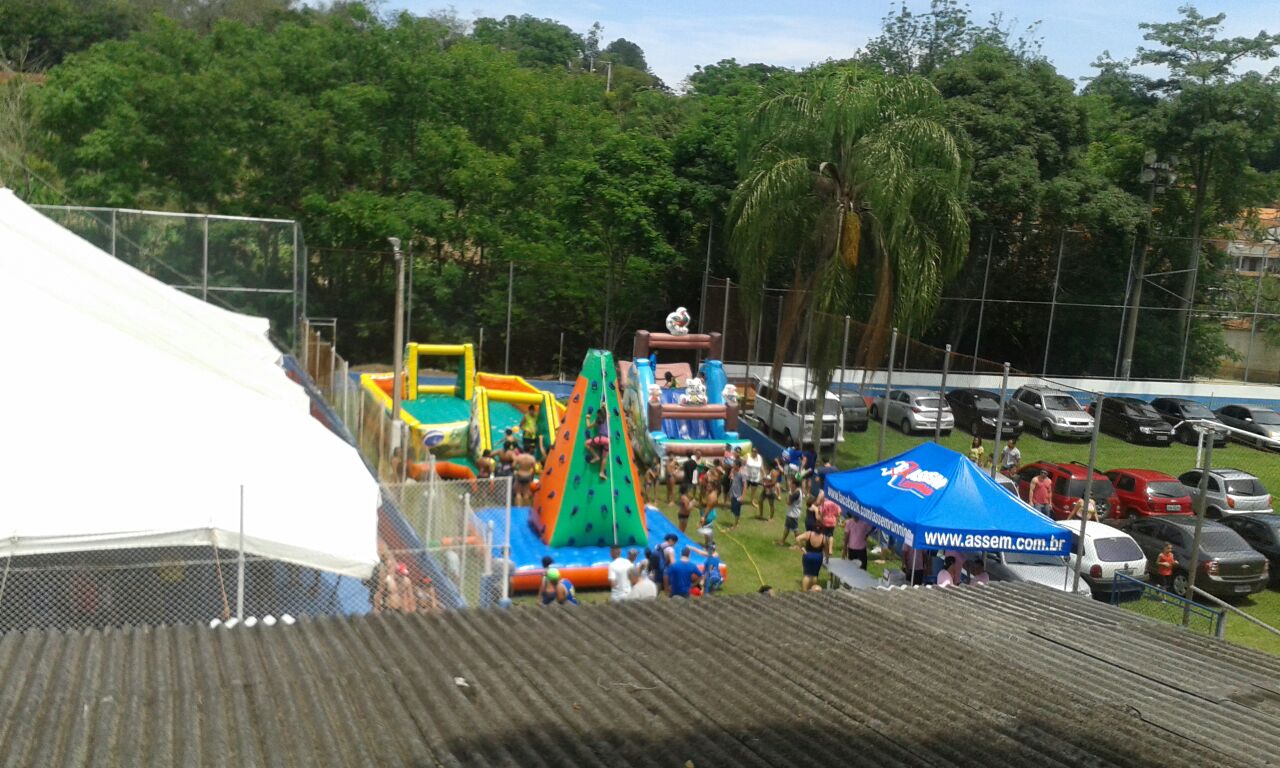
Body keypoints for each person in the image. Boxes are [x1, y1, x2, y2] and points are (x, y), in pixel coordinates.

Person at [795, 527, 828, 591]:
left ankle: (804, 591)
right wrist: (827, 558)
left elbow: (797, 538)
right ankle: (813, 591)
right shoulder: (824, 537)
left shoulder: (809, 534)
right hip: (818, 557)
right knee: (814, 575)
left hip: (808, 555)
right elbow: (826, 549)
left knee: (807, 575)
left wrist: (802, 548)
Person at [584, 403, 611, 480]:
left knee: (586, 443)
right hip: (608, 441)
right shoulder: (608, 418)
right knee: (604, 457)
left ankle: (596, 456)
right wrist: (605, 406)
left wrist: (587, 418)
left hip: (601, 439)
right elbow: (608, 413)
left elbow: (588, 426)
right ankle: (601, 472)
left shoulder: (597, 421)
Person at [779, 479, 803, 545]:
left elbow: (789, 502)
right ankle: (782, 541)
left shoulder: (796, 493)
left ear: (794, 485)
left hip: (793, 514)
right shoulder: (797, 491)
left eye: (791, 483)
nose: (790, 484)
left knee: (795, 529)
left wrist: (789, 495)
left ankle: (799, 545)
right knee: (787, 527)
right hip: (791, 513)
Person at [728, 463, 747, 531]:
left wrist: (743, 496)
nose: (733, 465)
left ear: (738, 466)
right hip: (733, 493)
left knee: (736, 511)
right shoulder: (733, 471)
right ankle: (737, 521)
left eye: (734, 464)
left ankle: (735, 526)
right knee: (733, 509)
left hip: (738, 495)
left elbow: (745, 486)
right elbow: (730, 478)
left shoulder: (742, 474)